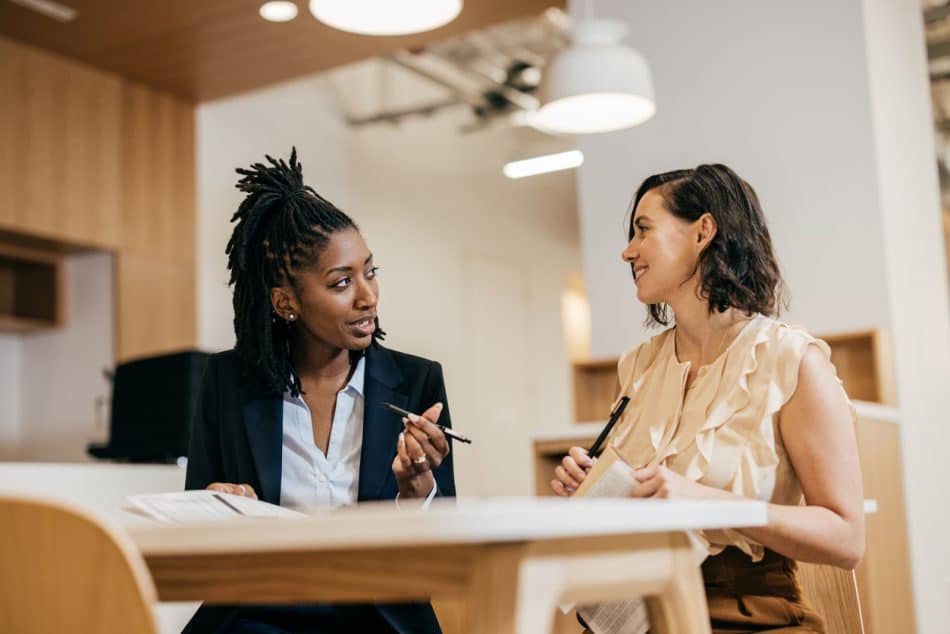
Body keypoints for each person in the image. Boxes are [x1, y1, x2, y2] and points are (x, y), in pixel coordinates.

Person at [552, 164, 864, 633]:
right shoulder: (637, 367)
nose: (627, 251)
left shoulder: (790, 359)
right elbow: (639, 500)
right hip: (636, 611)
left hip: (747, 615)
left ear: (703, 231)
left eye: (642, 230)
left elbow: (847, 538)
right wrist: (593, 489)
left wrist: (707, 502)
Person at [184, 149, 456, 634]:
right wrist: (219, 502)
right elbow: (192, 524)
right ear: (286, 302)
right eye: (341, 282)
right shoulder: (228, 382)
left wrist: (418, 491)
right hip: (258, 616)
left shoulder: (418, 383)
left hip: (377, 619)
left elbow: (441, 549)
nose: (367, 296)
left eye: (370, 272)